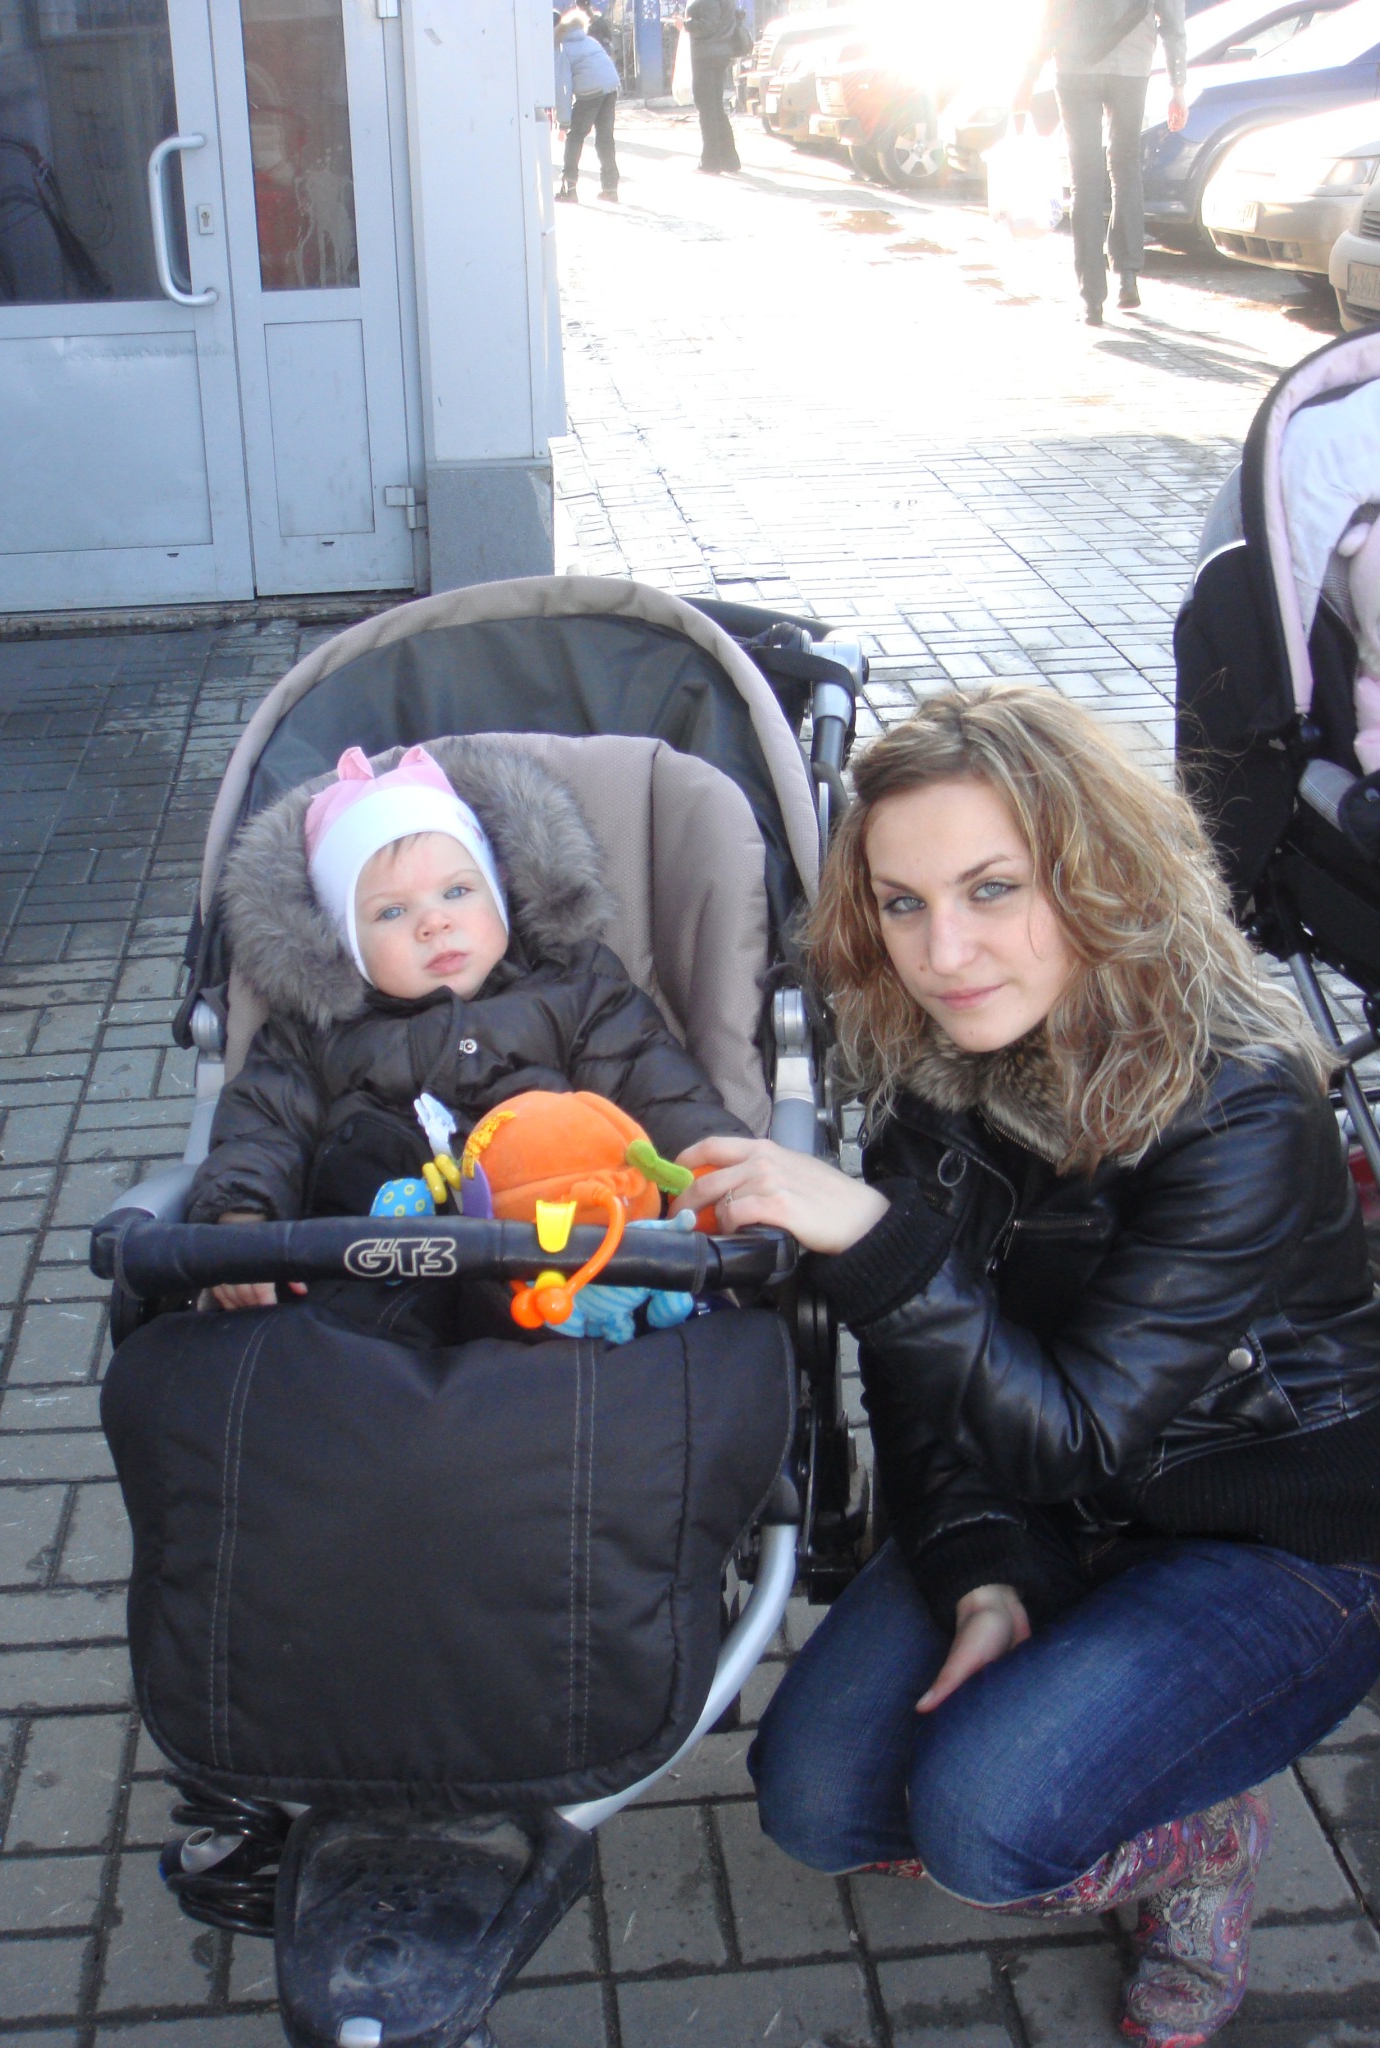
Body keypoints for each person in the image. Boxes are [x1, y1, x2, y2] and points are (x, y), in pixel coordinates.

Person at [673, 686, 1380, 2046]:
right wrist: (978, 1562)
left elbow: (1078, 1426)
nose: (945, 952)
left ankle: (1202, 1843)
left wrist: (868, 1240)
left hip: (1268, 1532)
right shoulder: (937, 1067)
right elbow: (917, 1381)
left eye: (994, 888)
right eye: (903, 903)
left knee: (987, 1824)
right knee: (814, 1799)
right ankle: (1110, 1733)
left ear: (1099, 871)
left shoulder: (1240, 1096)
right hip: (1045, 1492)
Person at [189, 739, 749, 1313]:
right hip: (372, 1289)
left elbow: (653, 1082)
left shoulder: (573, 990)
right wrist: (241, 1216)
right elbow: (263, 1130)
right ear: (343, 944)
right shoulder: (316, 1033)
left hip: (561, 1272)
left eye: (457, 891)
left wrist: (720, 1173)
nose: (434, 922)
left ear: (500, 894)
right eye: (391, 911)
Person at [1016, 0, 1189, 325]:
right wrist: (1177, 86)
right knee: (1125, 165)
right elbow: (1172, 20)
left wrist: (1027, 78)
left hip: (1075, 64)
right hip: (1131, 65)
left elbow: (1051, 12)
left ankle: (1091, 299)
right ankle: (1127, 275)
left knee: (1084, 177)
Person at [555, 7, 622, 204]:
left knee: (575, 137)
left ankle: (569, 189)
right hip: (610, 87)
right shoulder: (589, 40)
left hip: (590, 92)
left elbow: (563, 88)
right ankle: (610, 188)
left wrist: (563, 122)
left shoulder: (562, 49)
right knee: (605, 138)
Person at [684, 0, 743, 175]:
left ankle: (711, 162)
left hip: (707, 55)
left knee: (707, 108)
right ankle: (729, 159)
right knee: (715, 107)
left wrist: (685, 24)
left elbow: (709, 24)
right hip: (719, 52)